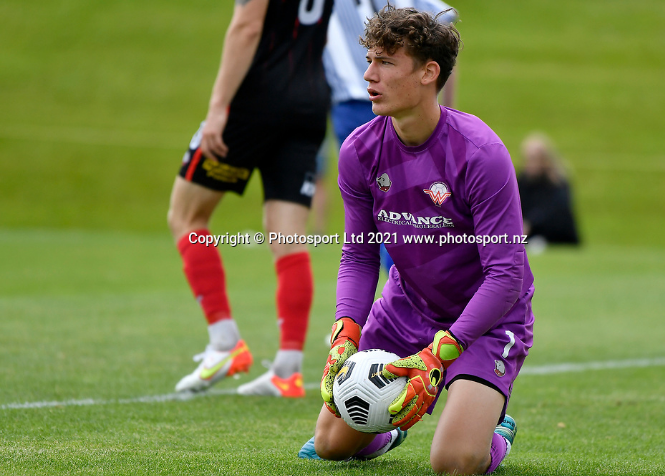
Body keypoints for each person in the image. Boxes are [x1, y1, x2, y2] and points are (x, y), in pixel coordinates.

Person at [298, 5, 534, 474]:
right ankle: (392, 425)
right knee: (329, 443)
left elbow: (506, 274)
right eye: (370, 59)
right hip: (408, 310)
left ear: (429, 73)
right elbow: (360, 256)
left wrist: (439, 353)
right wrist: (347, 329)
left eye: (386, 62)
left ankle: (493, 430)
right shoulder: (359, 151)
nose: (369, 74)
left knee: (453, 462)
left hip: (486, 321)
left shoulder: (481, 153)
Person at [167, 0, 334, 397]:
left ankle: (224, 342)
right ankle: (287, 369)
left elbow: (246, 26)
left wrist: (218, 106)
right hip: (310, 101)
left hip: (257, 98)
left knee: (186, 216)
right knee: (289, 237)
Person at [311, 0, 457, 274]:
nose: (370, 72)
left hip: (378, 102)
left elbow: (444, 30)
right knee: (385, 211)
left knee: (407, 207)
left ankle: (410, 286)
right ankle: (403, 287)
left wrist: (446, 110)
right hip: (352, 105)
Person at [518, 132, 580, 247]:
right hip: (530, 237)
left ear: (544, 159)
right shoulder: (522, 181)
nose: (528, 164)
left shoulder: (557, 182)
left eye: (533, 159)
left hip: (558, 239)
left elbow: (555, 212)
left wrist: (530, 223)